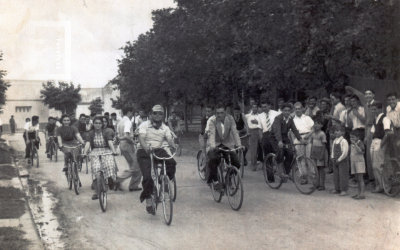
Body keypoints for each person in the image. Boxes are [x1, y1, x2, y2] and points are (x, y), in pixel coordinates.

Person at [136, 105, 176, 214]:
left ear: (163, 116)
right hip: (144, 151)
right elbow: (141, 138)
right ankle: (148, 200)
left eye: (160, 113)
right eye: (155, 113)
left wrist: (172, 145)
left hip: (157, 149)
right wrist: (146, 148)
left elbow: (169, 138)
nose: (157, 115)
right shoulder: (144, 125)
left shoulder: (165, 127)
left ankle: (163, 181)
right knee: (148, 177)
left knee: (172, 163)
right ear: (151, 114)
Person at [206, 103, 242, 188]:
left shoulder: (230, 118)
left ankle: (228, 177)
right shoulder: (212, 120)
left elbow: (234, 132)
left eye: (221, 112)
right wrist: (212, 145)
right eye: (217, 113)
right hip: (215, 144)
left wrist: (239, 144)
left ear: (225, 112)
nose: (219, 115)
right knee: (214, 159)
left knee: (236, 162)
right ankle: (215, 181)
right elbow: (211, 134)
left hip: (227, 144)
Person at [84, 116, 118, 200]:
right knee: (95, 170)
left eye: (99, 123)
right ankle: (96, 192)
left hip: (106, 151)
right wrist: (85, 153)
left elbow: (110, 142)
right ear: (93, 124)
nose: (98, 125)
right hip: (95, 152)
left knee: (110, 165)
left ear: (102, 124)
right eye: (96, 123)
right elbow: (87, 143)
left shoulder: (106, 132)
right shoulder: (90, 133)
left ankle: (110, 179)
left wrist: (113, 150)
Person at [269, 103, 302, 180]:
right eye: (285, 111)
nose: (287, 112)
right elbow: (277, 131)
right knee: (280, 151)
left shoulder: (290, 119)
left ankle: (286, 172)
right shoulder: (278, 118)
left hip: (284, 137)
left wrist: (300, 139)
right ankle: (281, 172)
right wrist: (279, 141)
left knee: (290, 152)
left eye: (288, 111)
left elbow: (294, 129)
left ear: (290, 111)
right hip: (275, 138)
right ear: (282, 111)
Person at [114, 107, 142, 192]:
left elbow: (119, 135)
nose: (133, 115)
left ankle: (133, 185)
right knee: (136, 166)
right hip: (127, 144)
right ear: (129, 112)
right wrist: (134, 142)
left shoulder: (120, 122)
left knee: (134, 165)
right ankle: (119, 179)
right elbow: (126, 135)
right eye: (132, 113)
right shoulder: (128, 122)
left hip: (122, 144)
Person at [370, 101, 391, 193]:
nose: (373, 111)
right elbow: (372, 132)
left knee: (379, 165)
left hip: (380, 142)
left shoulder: (385, 118)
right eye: (372, 110)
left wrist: (381, 145)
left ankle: (386, 186)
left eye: (375, 109)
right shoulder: (376, 119)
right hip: (374, 142)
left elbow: (387, 133)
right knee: (374, 166)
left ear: (380, 108)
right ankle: (379, 186)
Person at [331, 125, 349, 196]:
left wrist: (339, 159)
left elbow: (345, 152)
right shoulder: (335, 141)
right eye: (335, 131)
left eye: (338, 131)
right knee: (336, 175)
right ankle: (337, 188)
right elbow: (332, 150)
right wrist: (332, 157)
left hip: (342, 161)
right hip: (335, 160)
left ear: (342, 132)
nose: (336, 132)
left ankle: (344, 190)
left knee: (342, 175)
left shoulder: (344, 141)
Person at [310, 119, 327, 190]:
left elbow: (324, 145)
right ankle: (316, 183)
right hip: (314, 153)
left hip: (320, 153)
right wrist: (311, 153)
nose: (316, 125)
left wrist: (322, 155)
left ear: (321, 125)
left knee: (321, 169)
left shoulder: (322, 134)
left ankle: (322, 184)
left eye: (318, 124)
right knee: (315, 169)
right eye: (315, 123)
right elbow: (311, 144)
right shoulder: (313, 134)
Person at [364, 89, 376, 185]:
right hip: (367, 129)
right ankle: (371, 177)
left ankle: (376, 178)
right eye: (366, 94)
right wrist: (365, 134)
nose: (368, 95)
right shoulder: (365, 106)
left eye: (369, 94)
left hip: (374, 129)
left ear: (373, 95)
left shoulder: (376, 104)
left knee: (373, 153)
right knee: (368, 154)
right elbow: (366, 121)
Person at [349, 130, 366, 199]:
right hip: (354, 162)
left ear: (358, 137)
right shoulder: (351, 144)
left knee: (360, 178)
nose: (351, 139)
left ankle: (362, 194)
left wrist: (355, 144)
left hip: (359, 163)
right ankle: (359, 193)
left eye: (353, 137)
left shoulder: (359, 143)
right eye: (351, 137)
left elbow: (361, 151)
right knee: (357, 179)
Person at [246, 103, 263, 171]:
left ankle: (265, 164)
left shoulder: (260, 116)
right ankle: (253, 165)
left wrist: (257, 122)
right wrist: (248, 132)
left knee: (262, 148)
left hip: (260, 131)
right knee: (253, 150)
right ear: (251, 108)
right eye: (253, 107)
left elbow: (261, 123)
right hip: (252, 131)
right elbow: (247, 124)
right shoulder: (248, 116)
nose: (254, 108)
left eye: (256, 107)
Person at [386, 92, 400, 158]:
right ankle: (395, 167)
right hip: (394, 130)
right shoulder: (388, 108)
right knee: (393, 152)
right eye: (389, 100)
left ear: (397, 99)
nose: (391, 101)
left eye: (393, 99)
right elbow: (389, 122)